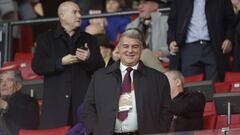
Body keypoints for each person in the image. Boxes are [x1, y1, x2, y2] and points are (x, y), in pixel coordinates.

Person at [83, 28, 172, 135]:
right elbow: (89, 107)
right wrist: (94, 131)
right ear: (118, 49)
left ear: (142, 49)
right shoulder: (100, 77)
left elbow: (166, 111)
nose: (130, 50)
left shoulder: (158, 79)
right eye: (125, 46)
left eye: (135, 47)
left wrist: (159, 132)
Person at [31, 1, 105, 129]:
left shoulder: (90, 39)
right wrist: (60, 62)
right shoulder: (45, 39)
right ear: (62, 15)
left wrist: (88, 58)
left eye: (79, 12)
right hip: (56, 107)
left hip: (82, 105)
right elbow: (37, 66)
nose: (79, 16)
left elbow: (100, 66)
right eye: (74, 12)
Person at [167, 0, 236, 82]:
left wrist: (228, 39)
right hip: (188, 48)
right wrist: (171, 41)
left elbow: (231, 22)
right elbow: (172, 23)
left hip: (214, 48)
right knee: (191, 87)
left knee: (215, 86)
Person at [0, 70, 39, 135]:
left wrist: (6, 106)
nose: (3, 84)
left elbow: (26, 126)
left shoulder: (29, 101)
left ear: (18, 85)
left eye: (9, 80)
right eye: (1, 81)